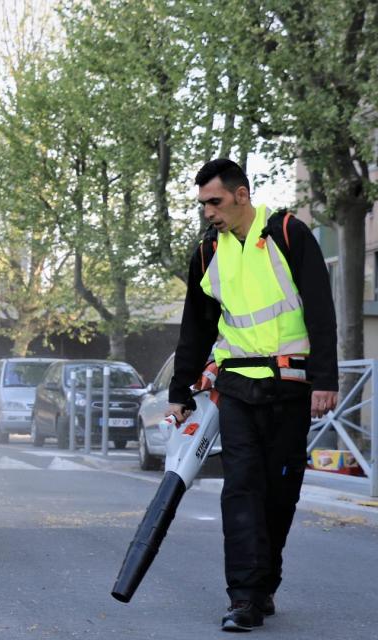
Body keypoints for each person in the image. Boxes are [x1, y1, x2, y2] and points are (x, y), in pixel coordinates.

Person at [166, 158, 338, 632]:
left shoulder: (288, 233)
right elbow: (195, 327)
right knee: (240, 489)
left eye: (214, 202)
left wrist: (326, 379)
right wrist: (179, 390)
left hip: (291, 387)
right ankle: (242, 596)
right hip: (236, 388)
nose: (207, 212)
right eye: (202, 204)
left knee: (280, 493)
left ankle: (264, 586)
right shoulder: (206, 252)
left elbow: (321, 311)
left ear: (242, 195)